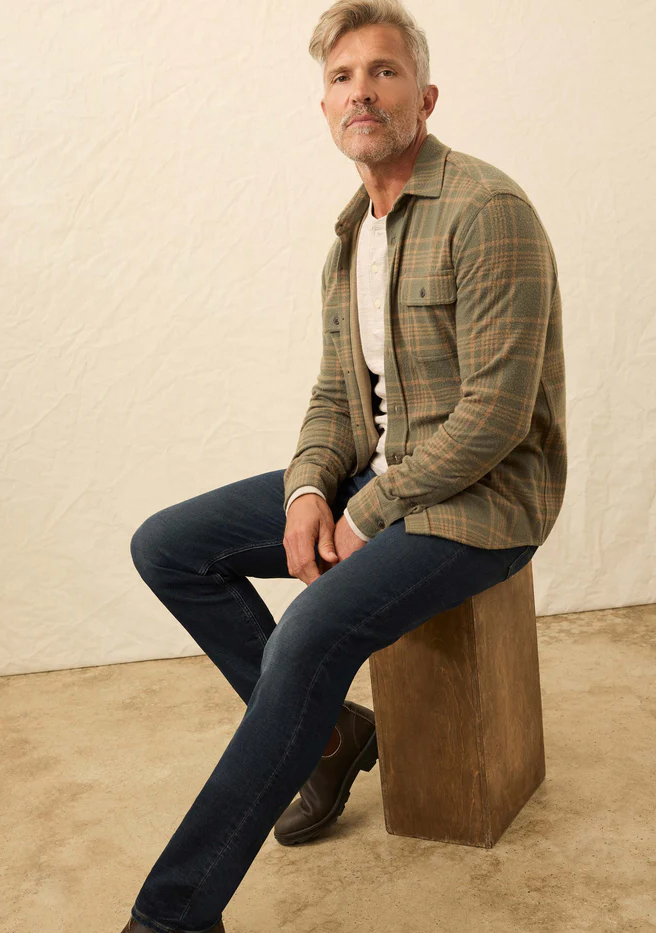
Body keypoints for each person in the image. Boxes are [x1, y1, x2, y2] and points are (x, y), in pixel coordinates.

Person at [121, 1, 567, 930]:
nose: (361, 91)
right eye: (341, 77)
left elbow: (494, 416)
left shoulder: (488, 212)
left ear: (425, 98)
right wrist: (309, 490)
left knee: (308, 637)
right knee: (168, 545)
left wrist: (366, 513)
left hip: (483, 503)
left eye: (384, 71)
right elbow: (337, 396)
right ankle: (327, 738)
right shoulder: (351, 236)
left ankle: (171, 916)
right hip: (388, 483)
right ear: (325, 107)